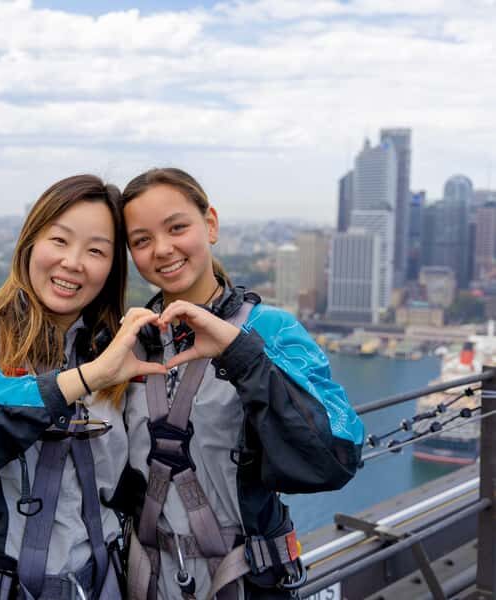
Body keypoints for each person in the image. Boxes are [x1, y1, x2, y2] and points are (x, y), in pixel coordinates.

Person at [0, 174, 166, 600]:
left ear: (112, 268)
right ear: (30, 242)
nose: (73, 262)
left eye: (96, 251)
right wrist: (83, 380)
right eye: (59, 241)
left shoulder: (122, 350)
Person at [118, 168, 364, 600]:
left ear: (209, 224)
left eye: (177, 227)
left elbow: (335, 456)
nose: (163, 249)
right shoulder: (131, 341)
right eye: (141, 240)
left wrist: (240, 353)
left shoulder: (270, 330)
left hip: (245, 580)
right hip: (146, 579)